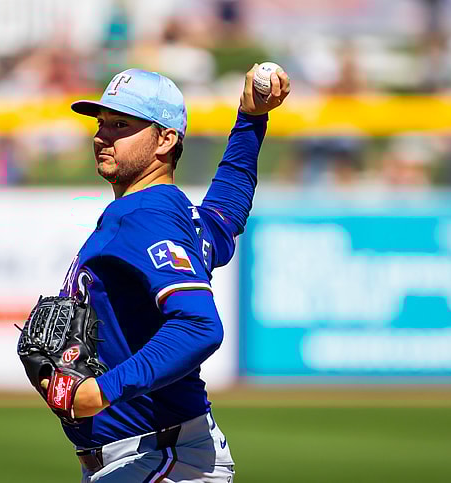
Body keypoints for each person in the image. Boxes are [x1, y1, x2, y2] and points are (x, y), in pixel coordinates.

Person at [43, 65, 290, 482]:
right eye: (101, 123)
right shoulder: (175, 216)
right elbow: (225, 212)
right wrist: (250, 120)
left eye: (122, 124)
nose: (103, 136)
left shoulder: (147, 215)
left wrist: (104, 390)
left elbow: (199, 326)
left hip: (163, 459)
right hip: (153, 458)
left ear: (166, 139)